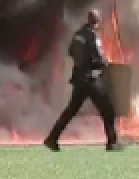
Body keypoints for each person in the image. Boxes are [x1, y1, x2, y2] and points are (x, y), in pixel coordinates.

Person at [44, 9, 123, 152]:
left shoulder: (77, 34)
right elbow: (98, 57)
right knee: (107, 110)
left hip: (79, 79)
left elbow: (70, 52)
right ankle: (112, 143)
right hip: (92, 80)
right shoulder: (93, 36)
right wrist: (105, 62)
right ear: (97, 22)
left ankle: (52, 138)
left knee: (70, 111)